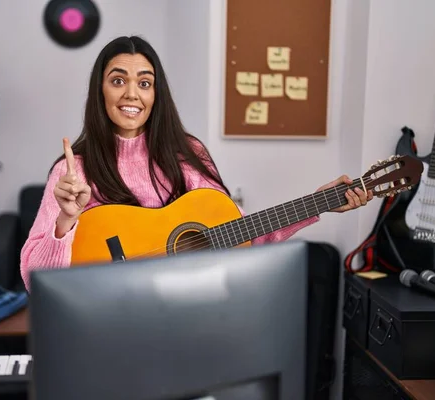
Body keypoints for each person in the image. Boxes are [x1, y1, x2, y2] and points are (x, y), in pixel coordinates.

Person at [20, 35, 372, 291]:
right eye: (118, 81)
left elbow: (237, 238)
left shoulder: (188, 153)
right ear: (101, 91)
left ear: (156, 95)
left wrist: (319, 203)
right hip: (106, 320)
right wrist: (66, 220)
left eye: (145, 83)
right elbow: (35, 279)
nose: (132, 94)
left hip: (183, 315)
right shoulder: (73, 170)